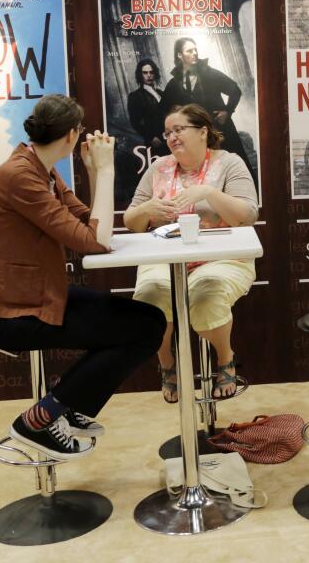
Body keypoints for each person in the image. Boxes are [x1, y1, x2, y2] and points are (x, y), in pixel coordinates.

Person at [0, 95, 166, 459]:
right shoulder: (19, 176)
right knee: (141, 329)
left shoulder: (39, 167)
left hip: (38, 295)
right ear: (73, 135)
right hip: (10, 313)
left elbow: (88, 222)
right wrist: (107, 171)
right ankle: (41, 418)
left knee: (151, 319)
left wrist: (93, 171)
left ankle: (69, 406)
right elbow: (94, 242)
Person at [125, 104, 258, 403]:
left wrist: (208, 193)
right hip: (165, 258)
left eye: (178, 129)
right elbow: (132, 223)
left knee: (205, 295)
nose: (171, 137)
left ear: (203, 132)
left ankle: (225, 358)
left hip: (223, 257)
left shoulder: (229, 164)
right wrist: (146, 209)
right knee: (150, 297)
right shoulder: (157, 168)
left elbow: (247, 215)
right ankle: (167, 365)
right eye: (167, 132)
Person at [159, 37, 256, 180]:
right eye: (189, 50)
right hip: (196, 136)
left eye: (195, 50)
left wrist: (227, 111)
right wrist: (175, 111)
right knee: (208, 173)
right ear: (180, 55)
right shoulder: (175, 83)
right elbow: (163, 108)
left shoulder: (209, 74)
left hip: (221, 130)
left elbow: (235, 90)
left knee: (235, 168)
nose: (195, 53)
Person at [127, 58, 165, 148]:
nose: (149, 75)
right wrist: (151, 138)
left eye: (151, 72)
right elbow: (135, 122)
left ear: (155, 74)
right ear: (140, 75)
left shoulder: (161, 93)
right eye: (145, 73)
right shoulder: (135, 96)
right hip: (154, 142)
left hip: (167, 137)